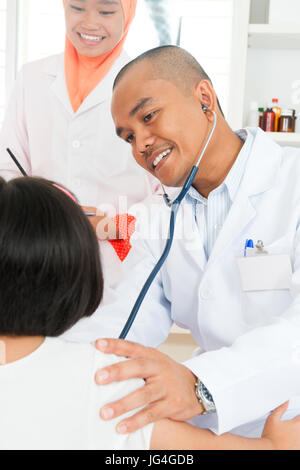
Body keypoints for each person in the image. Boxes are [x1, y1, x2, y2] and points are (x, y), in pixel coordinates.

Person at [62, 45, 300, 439]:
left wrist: (201, 386)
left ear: (204, 98)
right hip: (217, 426)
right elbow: (125, 321)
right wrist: (52, 361)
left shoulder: (291, 184)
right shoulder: (160, 216)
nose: (140, 145)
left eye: (149, 116)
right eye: (128, 137)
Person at [0, 175, 300, 450]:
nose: (141, 144)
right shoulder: (103, 380)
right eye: (128, 135)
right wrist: (274, 445)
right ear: (81, 277)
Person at [0, 0, 157, 284]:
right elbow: (8, 169)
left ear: (129, 12)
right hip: (40, 260)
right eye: (77, 8)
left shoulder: (152, 88)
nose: (90, 23)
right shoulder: (32, 78)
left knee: (110, 327)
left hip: (120, 270)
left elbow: (168, 193)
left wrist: (115, 226)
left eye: (106, 11)